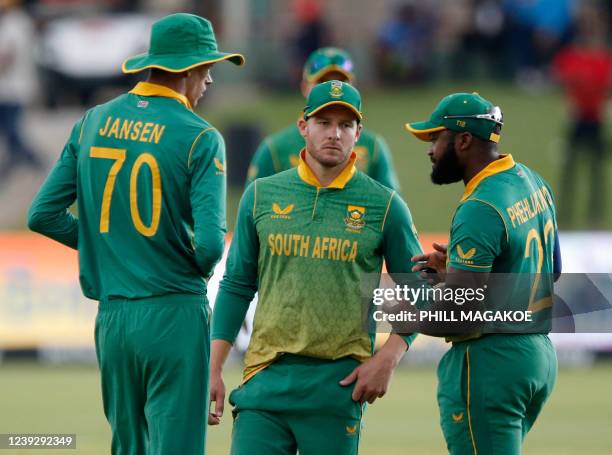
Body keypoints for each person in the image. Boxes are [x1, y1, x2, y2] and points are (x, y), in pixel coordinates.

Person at [27, 13, 244, 455]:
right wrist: (163, 256)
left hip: (112, 319)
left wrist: (110, 248)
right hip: (173, 312)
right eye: (207, 70)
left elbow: (43, 214)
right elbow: (207, 248)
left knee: (128, 447)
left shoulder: (92, 121)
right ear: (186, 71)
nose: (209, 82)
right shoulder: (200, 136)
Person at [209, 80, 424, 454]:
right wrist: (214, 367)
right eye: (324, 122)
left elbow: (420, 288)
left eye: (345, 125)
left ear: (359, 132)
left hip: (337, 387)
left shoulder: (384, 205)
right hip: (264, 380)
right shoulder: (262, 194)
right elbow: (237, 284)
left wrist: (390, 355)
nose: (334, 134)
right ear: (303, 126)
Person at [405, 92, 561, 454]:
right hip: (537, 357)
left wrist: (405, 315)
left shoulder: (479, 206)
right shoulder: (531, 179)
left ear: (462, 140)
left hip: (491, 364)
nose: (430, 150)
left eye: (434, 138)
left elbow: (459, 314)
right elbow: (550, 270)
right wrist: (459, 274)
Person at [246, 47, 400, 191]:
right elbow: (253, 207)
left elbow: (390, 207)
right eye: (322, 82)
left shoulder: (373, 146)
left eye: (341, 83)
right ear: (304, 87)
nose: (332, 91)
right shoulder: (275, 148)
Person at [552, 3, 611, 228]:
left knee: (596, 169)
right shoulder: (573, 57)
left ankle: (595, 215)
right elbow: (564, 83)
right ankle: (565, 213)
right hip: (577, 119)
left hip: (595, 118)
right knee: (571, 168)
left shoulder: (603, 58)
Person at [0, 0, 42, 180]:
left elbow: (6, 56)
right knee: (10, 129)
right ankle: (20, 162)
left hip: (11, 87)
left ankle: (33, 161)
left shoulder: (12, 24)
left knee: (11, 129)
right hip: (18, 85)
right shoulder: (22, 22)